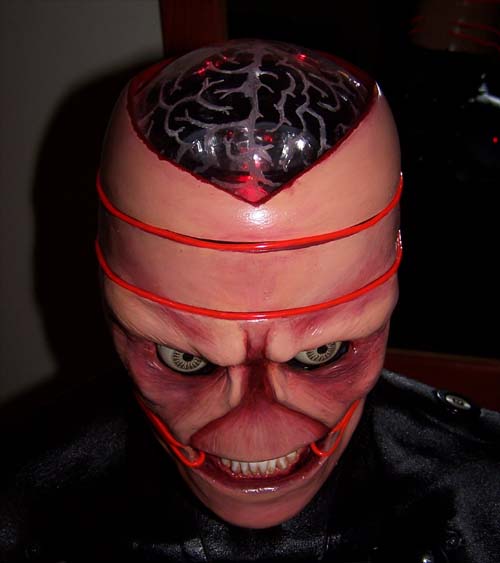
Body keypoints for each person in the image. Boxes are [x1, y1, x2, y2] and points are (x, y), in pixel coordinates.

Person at [1, 39, 498, 563]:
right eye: (184, 357)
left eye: (320, 352)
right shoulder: (21, 514)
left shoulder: (481, 504)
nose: (257, 429)